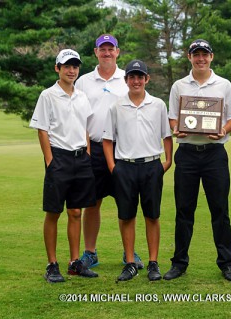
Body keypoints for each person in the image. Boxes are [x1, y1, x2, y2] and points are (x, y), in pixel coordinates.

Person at [163, 39, 231, 281]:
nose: (200, 59)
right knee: (184, 210)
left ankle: (227, 263)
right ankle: (179, 263)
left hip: (214, 153)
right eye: (196, 55)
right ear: (189, 57)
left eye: (204, 55)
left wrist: (223, 131)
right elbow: (173, 119)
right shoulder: (179, 85)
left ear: (211, 57)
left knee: (220, 210)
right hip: (186, 154)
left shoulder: (224, 85)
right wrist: (177, 130)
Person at [75, 34, 143, 270]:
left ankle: (129, 253)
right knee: (92, 202)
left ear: (117, 51)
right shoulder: (83, 81)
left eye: (110, 49)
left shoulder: (127, 78)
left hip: (122, 148)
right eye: (102, 49)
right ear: (95, 52)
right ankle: (90, 252)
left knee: (126, 202)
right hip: (93, 148)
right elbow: (78, 115)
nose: (106, 53)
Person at [30, 49, 99, 283]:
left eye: (75, 66)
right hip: (58, 157)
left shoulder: (81, 96)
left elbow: (85, 128)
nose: (71, 71)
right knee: (54, 212)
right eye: (67, 66)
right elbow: (42, 129)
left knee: (76, 212)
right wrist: (50, 161)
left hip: (81, 157)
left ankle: (74, 263)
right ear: (57, 68)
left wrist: (87, 153)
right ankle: (52, 264)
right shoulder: (47, 95)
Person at [102, 60, 173, 282]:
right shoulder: (116, 106)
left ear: (146, 79)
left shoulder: (158, 104)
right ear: (126, 80)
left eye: (140, 77)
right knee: (127, 216)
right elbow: (107, 140)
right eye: (132, 77)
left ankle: (153, 263)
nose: (136, 81)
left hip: (152, 165)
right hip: (125, 166)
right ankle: (130, 263)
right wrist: (113, 168)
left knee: (152, 215)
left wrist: (168, 161)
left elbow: (167, 135)